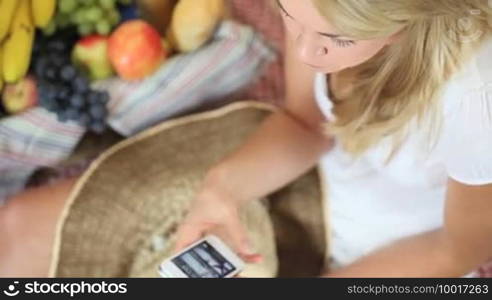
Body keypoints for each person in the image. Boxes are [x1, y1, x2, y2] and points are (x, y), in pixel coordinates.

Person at [1, 0, 492, 277]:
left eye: (334, 40)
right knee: (15, 232)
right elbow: (305, 121)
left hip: (401, 254)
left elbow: (454, 252)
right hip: (305, 177)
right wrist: (222, 189)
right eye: (288, 14)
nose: (303, 51)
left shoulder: (477, 99)